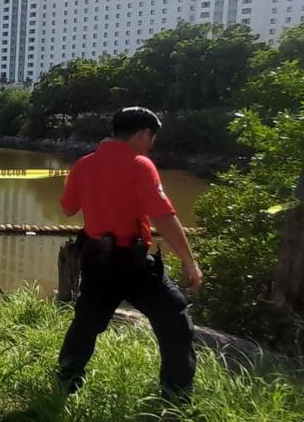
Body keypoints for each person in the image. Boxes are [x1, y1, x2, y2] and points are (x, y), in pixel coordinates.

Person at [57, 106, 204, 400]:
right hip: (133, 265)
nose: (152, 145)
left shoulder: (84, 164)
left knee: (86, 324)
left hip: (96, 261)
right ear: (141, 133)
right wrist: (190, 262)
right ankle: (176, 394)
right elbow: (163, 216)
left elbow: (67, 208)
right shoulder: (140, 165)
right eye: (152, 137)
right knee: (174, 320)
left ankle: (65, 384)